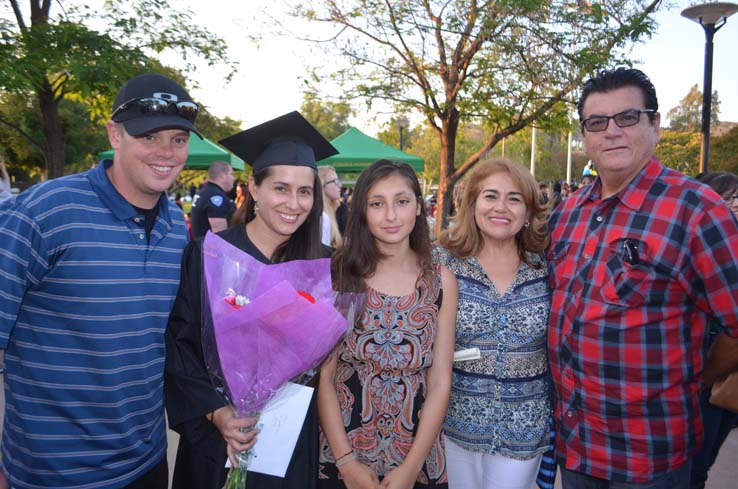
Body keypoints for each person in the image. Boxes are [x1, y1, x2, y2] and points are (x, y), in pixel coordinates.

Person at [0, 72, 200, 488]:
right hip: (54, 473)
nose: (166, 152)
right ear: (115, 135)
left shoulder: (175, 227)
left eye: (178, 139)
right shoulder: (44, 212)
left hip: (147, 462)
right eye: (150, 137)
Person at [547, 67, 738, 489]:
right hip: (577, 448)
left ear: (655, 124)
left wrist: (697, 377)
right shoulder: (568, 213)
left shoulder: (698, 210)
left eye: (627, 117)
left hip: (650, 455)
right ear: (585, 137)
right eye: (597, 122)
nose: (611, 131)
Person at [165, 111, 338, 489]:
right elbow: (180, 349)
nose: (293, 203)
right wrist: (216, 413)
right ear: (254, 188)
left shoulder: (324, 267)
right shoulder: (209, 255)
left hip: (290, 441)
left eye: (305, 191)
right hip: (218, 438)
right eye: (280, 188)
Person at [318, 159, 458, 488]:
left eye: (402, 201)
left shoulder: (441, 282)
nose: (391, 216)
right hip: (344, 452)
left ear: (418, 207)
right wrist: (347, 463)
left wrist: (411, 469)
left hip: (417, 455)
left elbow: (440, 383)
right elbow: (325, 378)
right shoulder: (337, 275)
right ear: (362, 211)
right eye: (377, 204)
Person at [435, 158, 552, 489]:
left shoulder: (546, 268)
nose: (501, 207)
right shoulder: (442, 261)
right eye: (490, 196)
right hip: (452, 424)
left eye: (514, 198)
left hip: (524, 428)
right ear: (472, 203)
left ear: (528, 212)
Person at [690, 171, 738, 489]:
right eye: (728, 198)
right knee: (694, 464)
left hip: (725, 375)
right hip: (700, 369)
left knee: (703, 462)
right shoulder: (695, 243)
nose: (735, 206)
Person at [190, 160, 236, 238]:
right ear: (222, 175)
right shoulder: (215, 196)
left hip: (201, 246)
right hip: (210, 248)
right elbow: (220, 234)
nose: (234, 178)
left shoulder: (204, 192)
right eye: (231, 174)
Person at [318, 165, 343, 247]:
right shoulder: (321, 217)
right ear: (322, 185)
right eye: (335, 181)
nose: (340, 185)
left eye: (338, 180)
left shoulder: (331, 212)